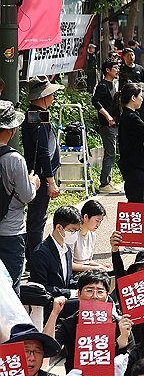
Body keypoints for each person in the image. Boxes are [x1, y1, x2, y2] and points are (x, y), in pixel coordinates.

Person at [21, 77, 63, 261]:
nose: (53, 96)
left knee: (36, 217)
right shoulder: (37, 117)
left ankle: (32, 256)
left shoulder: (34, 114)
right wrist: (51, 181)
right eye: (50, 93)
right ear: (43, 96)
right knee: (37, 218)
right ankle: (34, 259)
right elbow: (44, 152)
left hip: (38, 173)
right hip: (40, 175)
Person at [0, 101, 38, 289]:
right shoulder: (14, 159)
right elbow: (27, 195)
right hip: (10, 230)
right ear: (11, 130)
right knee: (10, 285)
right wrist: (33, 183)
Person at [28, 204, 81, 299]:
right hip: (50, 302)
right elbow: (41, 287)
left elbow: (68, 280)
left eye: (77, 231)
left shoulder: (67, 250)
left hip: (65, 298)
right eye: (72, 230)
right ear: (59, 228)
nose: (75, 234)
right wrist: (70, 293)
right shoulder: (41, 253)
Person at [92, 59, 122, 193]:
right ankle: (104, 183)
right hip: (107, 125)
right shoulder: (103, 85)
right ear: (108, 70)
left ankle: (107, 181)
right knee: (110, 153)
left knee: (112, 152)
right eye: (115, 68)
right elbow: (95, 101)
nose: (117, 70)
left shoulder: (113, 84)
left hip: (115, 123)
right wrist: (107, 116)